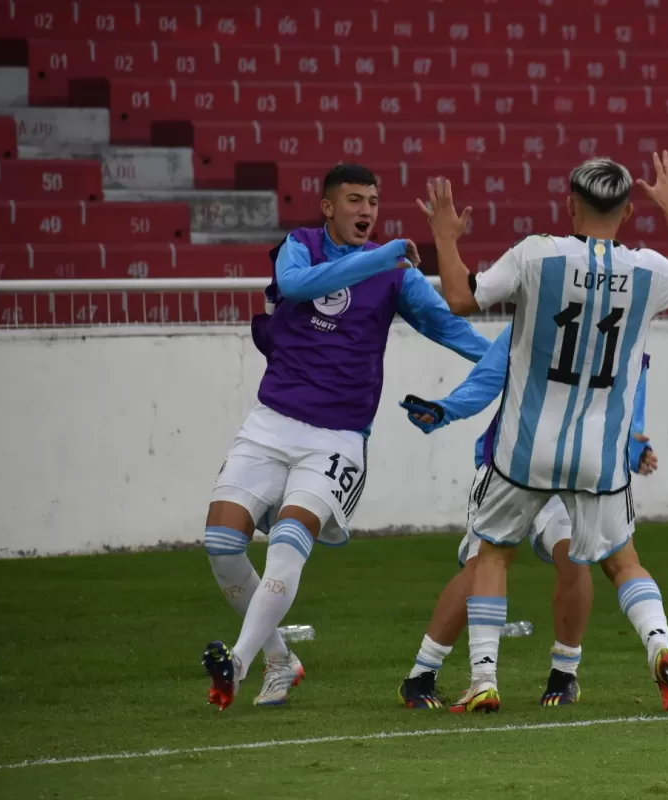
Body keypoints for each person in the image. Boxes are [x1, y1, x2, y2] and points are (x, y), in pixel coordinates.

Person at [416, 152, 668, 713]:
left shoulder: (536, 254)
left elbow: (459, 298)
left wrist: (446, 238)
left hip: (526, 447)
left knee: (494, 552)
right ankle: (661, 650)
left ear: (569, 203)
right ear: (626, 213)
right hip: (600, 455)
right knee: (623, 560)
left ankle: (483, 677)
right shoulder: (648, 270)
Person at [200, 164, 491, 710]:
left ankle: (237, 661)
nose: (366, 211)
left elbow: (449, 328)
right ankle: (282, 660)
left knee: (290, 540)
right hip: (270, 422)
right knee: (220, 544)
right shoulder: (301, 246)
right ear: (328, 207)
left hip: (336, 437)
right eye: (354, 200)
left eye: (374, 202)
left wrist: (517, 360)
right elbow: (295, 286)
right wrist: (383, 255)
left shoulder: (396, 276)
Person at [395, 325, 657, 709]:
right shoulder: (536, 318)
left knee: (572, 557)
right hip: (511, 466)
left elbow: (630, 412)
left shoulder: (619, 329)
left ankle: (562, 673)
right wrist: (445, 410)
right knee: (481, 566)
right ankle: (423, 673)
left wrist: (635, 449)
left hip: (567, 479)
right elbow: (487, 380)